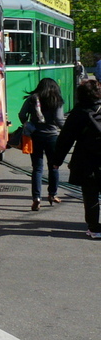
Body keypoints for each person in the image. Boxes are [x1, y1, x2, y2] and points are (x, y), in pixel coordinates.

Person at [55, 79, 101, 239]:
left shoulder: (78, 113)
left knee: (90, 196)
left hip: (86, 161)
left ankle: (95, 228)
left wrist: (56, 161)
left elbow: (65, 139)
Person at [18, 77, 65, 211]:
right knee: (53, 167)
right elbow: (59, 120)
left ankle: (36, 198)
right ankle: (52, 194)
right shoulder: (57, 100)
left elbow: (22, 115)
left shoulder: (32, 99)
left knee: (37, 169)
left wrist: (28, 124)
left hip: (35, 136)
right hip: (52, 137)